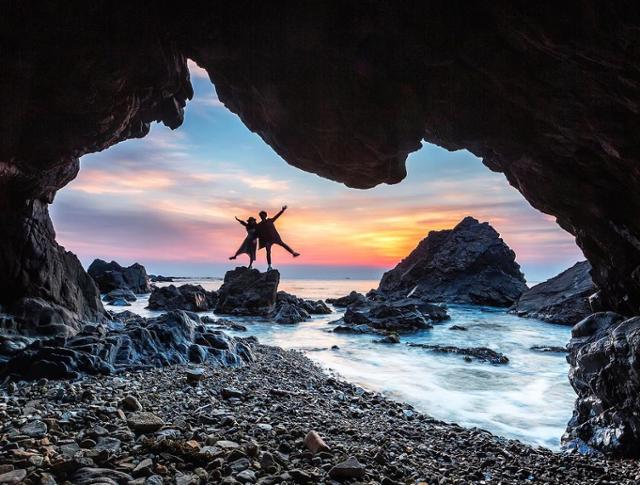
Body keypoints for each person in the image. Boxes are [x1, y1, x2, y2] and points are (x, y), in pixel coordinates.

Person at [256, 205, 300, 270]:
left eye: (263, 215)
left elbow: (277, 216)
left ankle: (293, 253)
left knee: (283, 244)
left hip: (275, 237)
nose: (262, 216)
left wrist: (282, 210)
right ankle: (269, 266)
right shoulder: (259, 224)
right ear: (260, 216)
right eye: (261, 216)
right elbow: (256, 231)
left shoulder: (270, 220)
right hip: (268, 240)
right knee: (268, 251)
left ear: (265, 215)